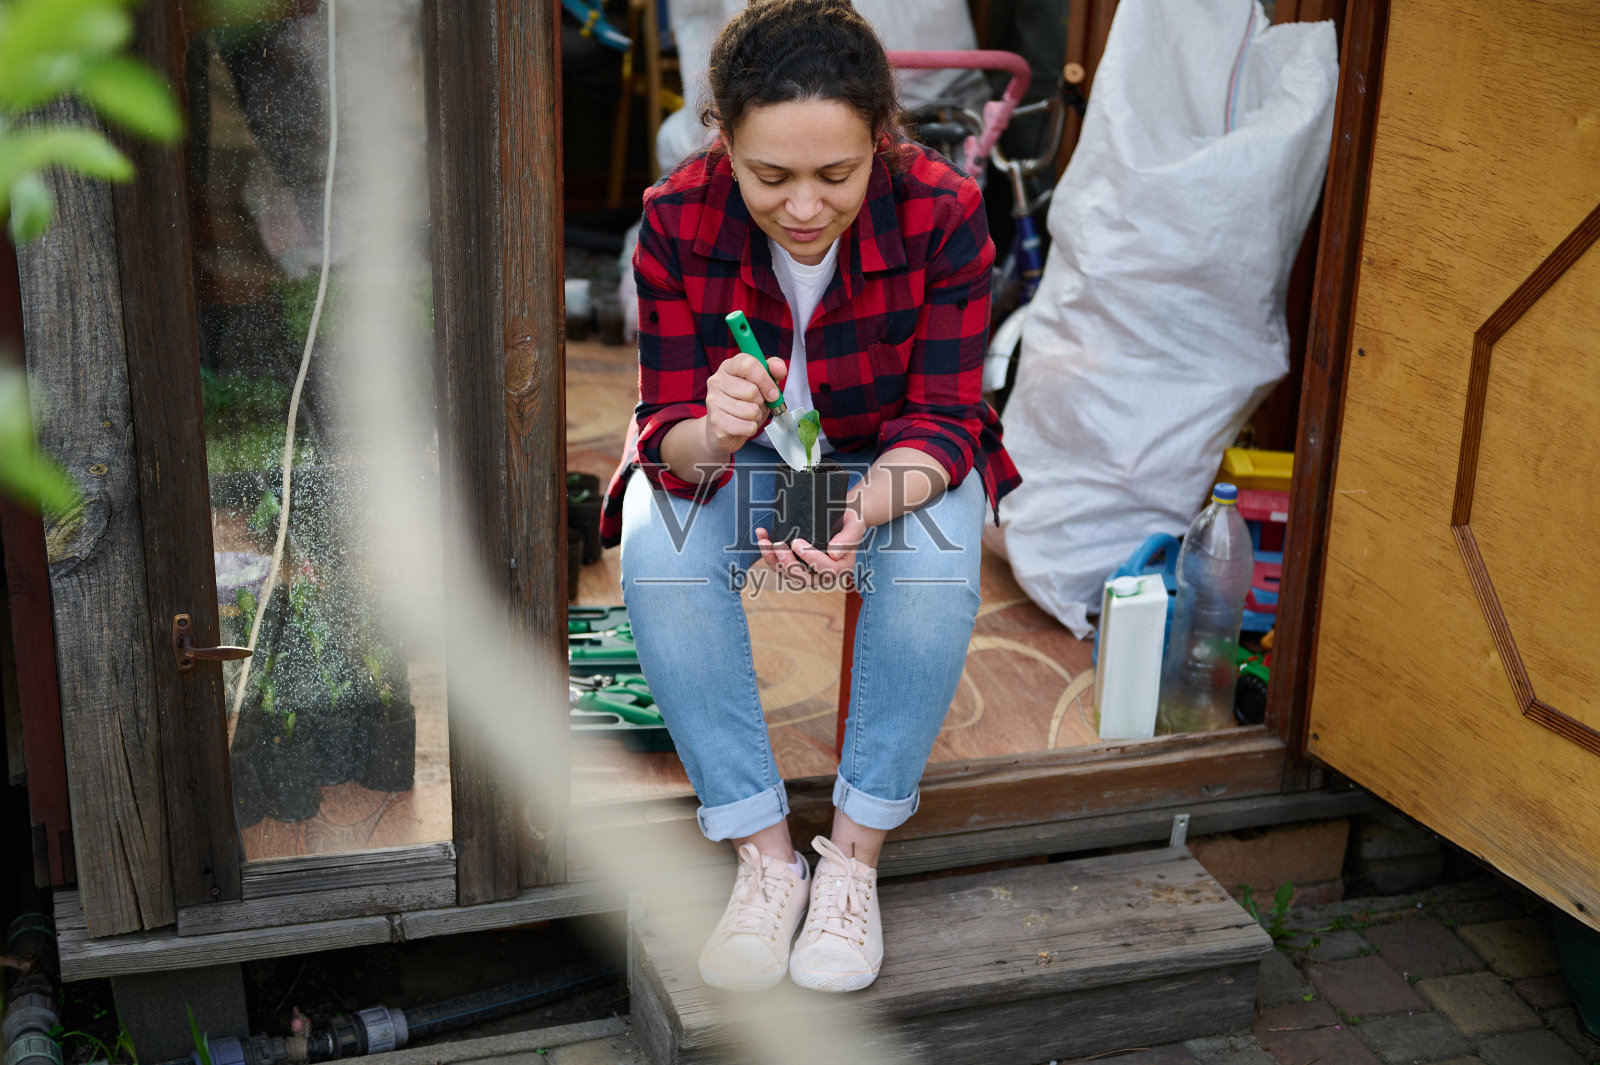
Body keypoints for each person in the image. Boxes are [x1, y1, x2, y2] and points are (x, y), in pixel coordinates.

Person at [598, 0, 1019, 993]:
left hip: (887, 460)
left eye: (835, 175)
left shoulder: (944, 214)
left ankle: (852, 864)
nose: (801, 207)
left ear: (882, 138)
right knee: (658, 553)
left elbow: (948, 422)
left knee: (933, 561)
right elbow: (673, 444)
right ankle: (766, 859)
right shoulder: (676, 217)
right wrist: (715, 420)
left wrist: (862, 507)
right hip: (746, 467)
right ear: (723, 141)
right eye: (768, 176)